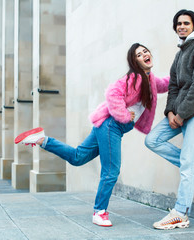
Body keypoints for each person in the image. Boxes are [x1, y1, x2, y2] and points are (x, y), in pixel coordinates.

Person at [14, 43, 169, 227]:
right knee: (111, 171)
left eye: (145, 51)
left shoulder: (149, 79)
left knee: (78, 157)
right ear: (134, 61)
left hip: (106, 126)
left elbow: (165, 84)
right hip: (112, 126)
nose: (144, 54)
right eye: (138, 54)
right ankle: (99, 211)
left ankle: (42, 139)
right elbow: (112, 93)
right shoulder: (134, 78)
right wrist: (125, 115)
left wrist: (183, 73)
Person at [145, 9, 194, 230]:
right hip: (180, 113)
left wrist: (181, 114)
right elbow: (174, 86)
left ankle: (181, 213)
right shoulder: (181, 53)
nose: (181, 26)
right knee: (152, 140)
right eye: (178, 23)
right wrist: (169, 112)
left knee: (186, 162)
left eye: (186, 23)